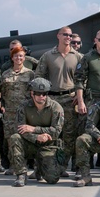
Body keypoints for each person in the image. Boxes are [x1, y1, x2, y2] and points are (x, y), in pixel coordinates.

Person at [35, 26, 82, 175]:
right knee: (49, 134)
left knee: (69, 135)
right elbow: (39, 77)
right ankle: (42, 167)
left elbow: (83, 78)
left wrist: (79, 95)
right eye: (65, 35)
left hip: (70, 99)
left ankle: (61, 166)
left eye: (70, 35)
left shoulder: (78, 57)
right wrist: (42, 96)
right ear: (58, 36)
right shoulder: (48, 55)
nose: (68, 38)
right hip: (51, 99)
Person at [8, 77, 65, 187]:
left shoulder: (56, 108)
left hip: (49, 145)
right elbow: (20, 129)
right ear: (32, 93)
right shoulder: (23, 107)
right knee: (15, 138)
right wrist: (36, 137)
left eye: (44, 94)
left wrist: (34, 129)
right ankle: (21, 174)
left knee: (52, 179)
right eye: (38, 94)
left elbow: (56, 131)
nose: (41, 97)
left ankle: (40, 167)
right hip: (30, 144)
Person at [0, 46, 36, 173]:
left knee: (24, 138)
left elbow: (34, 93)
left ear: (24, 58)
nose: (18, 58)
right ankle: (14, 165)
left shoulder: (30, 74)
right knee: (10, 138)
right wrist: (0, 104)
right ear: (12, 58)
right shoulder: (5, 74)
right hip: (10, 112)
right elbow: (0, 92)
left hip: (25, 112)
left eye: (21, 56)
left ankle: (25, 164)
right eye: (16, 56)